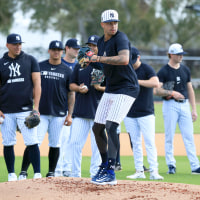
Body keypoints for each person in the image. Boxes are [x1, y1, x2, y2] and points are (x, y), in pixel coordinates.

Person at [83, 9, 140, 185]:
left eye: (115, 22)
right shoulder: (101, 41)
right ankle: (105, 163)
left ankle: (112, 169)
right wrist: (89, 60)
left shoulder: (120, 38)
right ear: (102, 24)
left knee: (111, 125)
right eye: (109, 23)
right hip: (112, 88)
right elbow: (104, 65)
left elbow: (123, 59)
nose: (113, 25)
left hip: (127, 88)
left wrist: (96, 57)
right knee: (97, 127)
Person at [18, 40, 75, 179]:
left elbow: (71, 93)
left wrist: (70, 114)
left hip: (59, 113)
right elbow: (29, 87)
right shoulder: (39, 66)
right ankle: (24, 171)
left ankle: (51, 172)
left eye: (59, 50)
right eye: (54, 49)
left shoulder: (67, 70)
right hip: (41, 113)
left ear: (62, 51)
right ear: (49, 51)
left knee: (55, 144)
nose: (56, 52)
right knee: (34, 142)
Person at [0, 33, 42, 181]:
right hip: (5, 111)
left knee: (32, 141)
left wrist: (35, 107)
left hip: (25, 110)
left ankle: (37, 173)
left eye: (19, 44)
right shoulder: (1, 63)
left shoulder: (30, 60)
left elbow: (37, 84)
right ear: (7, 45)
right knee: (8, 142)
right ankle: (11, 174)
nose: (18, 46)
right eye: (14, 44)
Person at [154, 43, 200, 174]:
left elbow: (190, 89)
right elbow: (157, 90)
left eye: (182, 54)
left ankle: (195, 166)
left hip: (184, 105)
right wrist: (172, 93)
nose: (181, 56)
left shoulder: (185, 69)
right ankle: (171, 165)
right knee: (169, 136)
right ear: (171, 54)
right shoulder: (164, 71)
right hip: (170, 105)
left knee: (189, 136)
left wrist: (194, 109)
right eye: (178, 54)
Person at [124, 46, 163, 180]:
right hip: (129, 112)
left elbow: (155, 83)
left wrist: (137, 81)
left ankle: (154, 171)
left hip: (146, 112)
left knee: (149, 142)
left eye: (133, 60)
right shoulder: (125, 69)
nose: (131, 63)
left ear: (139, 58)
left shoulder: (146, 68)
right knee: (135, 143)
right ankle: (139, 170)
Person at [69, 35, 103, 178]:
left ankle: (95, 173)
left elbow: (110, 86)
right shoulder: (80, 64)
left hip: (98, 112)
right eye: (89, 45)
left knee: (97, 146)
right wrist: (79, 88)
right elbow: (71, 85)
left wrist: (99, 87)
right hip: (81, 112)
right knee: (75, 143)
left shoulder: (103, 65)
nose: (92, 48)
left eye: (94, 45)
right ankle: (75, 174)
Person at [55, 38, 80, 177]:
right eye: (74, 48)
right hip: (62, 107)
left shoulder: (79, 65)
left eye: (78, 48)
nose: (77, 50)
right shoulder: (60, 64)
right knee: (61, 139)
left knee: (73, 141)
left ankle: (68, 167)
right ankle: (58, 168)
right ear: (67, 48)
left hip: (78, 110)